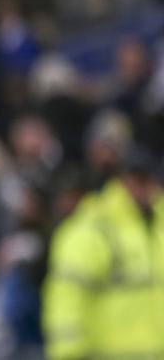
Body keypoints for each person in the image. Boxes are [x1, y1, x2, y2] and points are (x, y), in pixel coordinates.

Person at [42, 146, 164, 359]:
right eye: (136, 179)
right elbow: (68, 296)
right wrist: (69, 353)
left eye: (147, 179)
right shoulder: (95, 228)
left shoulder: (157, 227)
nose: (143, 187)